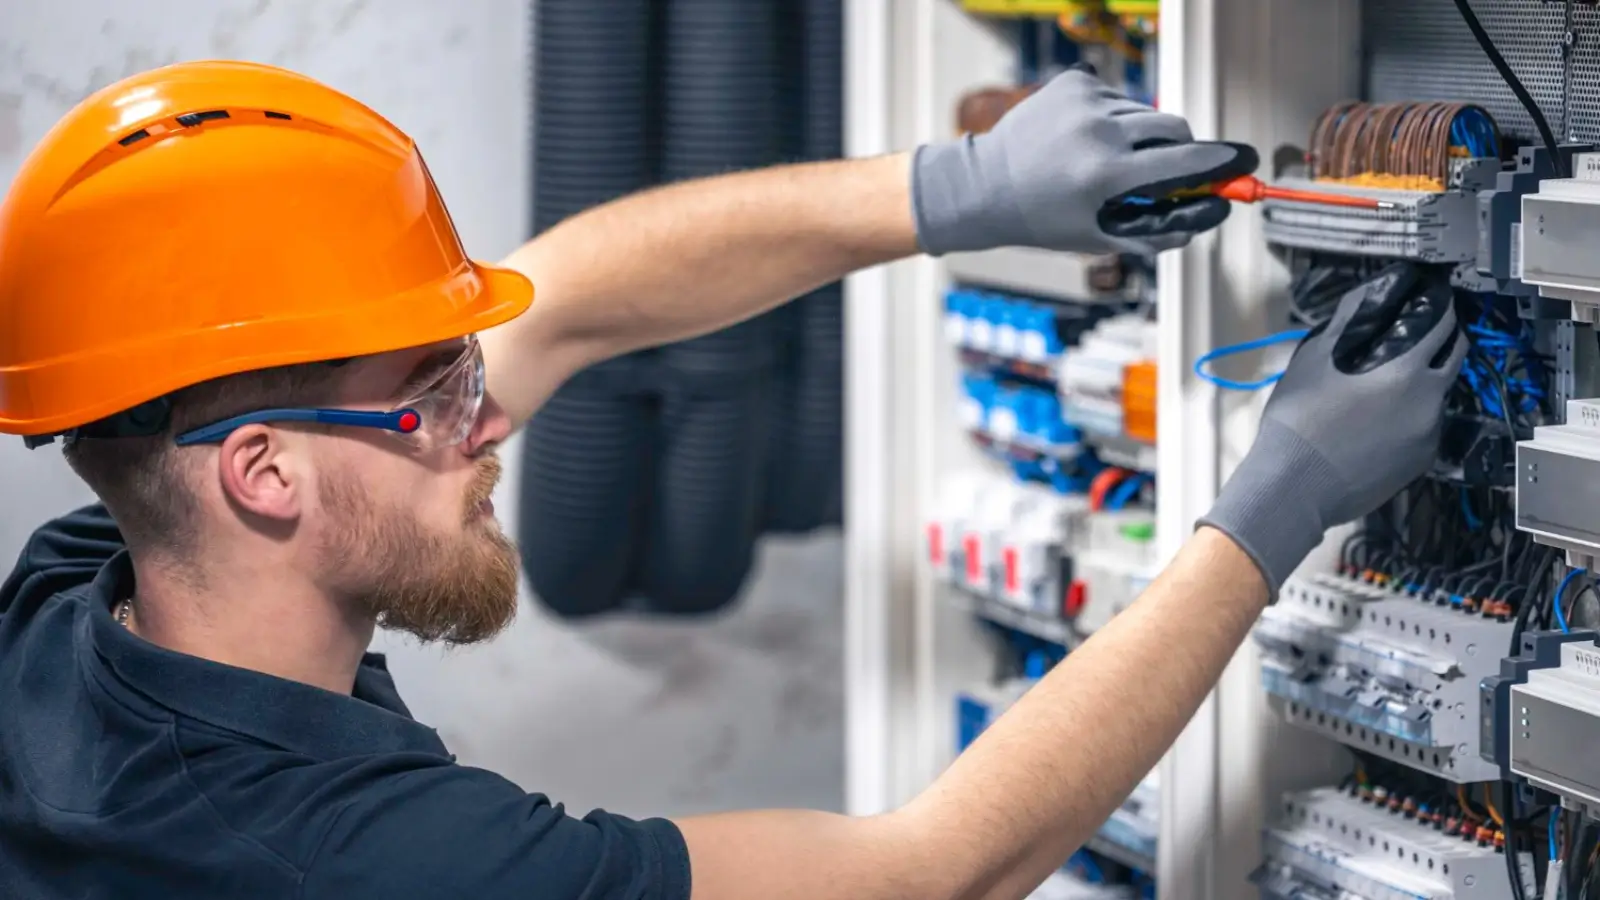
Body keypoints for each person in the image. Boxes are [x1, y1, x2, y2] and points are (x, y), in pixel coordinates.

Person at [0, 60, 1463, 900]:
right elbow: (929, 876)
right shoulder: (371, 867)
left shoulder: (79, 606)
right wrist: (1276, 505)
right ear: (261, 477)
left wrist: (956, 191)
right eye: (435, 396)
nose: (488, 421)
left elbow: (563, 299)